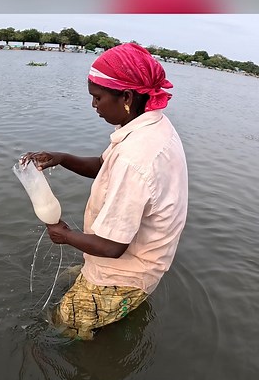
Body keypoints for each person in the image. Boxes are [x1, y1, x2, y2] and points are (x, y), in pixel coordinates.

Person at [22, 43, 188, 340]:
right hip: (143, 256)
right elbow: (103, 165)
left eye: (97, 98)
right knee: (69, 282)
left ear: (126, 96)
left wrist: (65, 235)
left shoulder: (136, 156)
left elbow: (113, 247)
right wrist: (63, 157)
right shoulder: (147, 126)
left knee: (61, 327)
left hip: (128, 270)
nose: (94, 105)